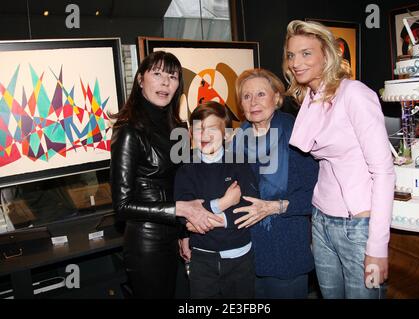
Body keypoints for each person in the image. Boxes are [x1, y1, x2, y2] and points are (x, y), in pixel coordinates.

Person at [284, 20, 395, 299]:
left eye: (306, 53)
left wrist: (377, 247)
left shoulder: (354, 94)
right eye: (291, 55)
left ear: (327, 55)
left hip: (357, 226)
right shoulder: (310, 98)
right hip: (322, 221)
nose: (296, 62)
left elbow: (383, 172)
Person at [110, 51, 222, 298]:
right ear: (140, 79)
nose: (165, 82)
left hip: (176, 236)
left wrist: (183, 234)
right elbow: (122, 206)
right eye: (157, 74)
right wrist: (179, 209)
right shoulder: (129, 131)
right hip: (146, 243)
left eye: (172, 76)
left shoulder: (179, 127)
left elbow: (179, 184)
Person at [232, 68, 319, 298]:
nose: (253, 102)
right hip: (244, 255)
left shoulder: (295, 136)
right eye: (246, 96)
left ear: (276, 98)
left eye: (261, 94)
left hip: (286, 251)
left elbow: (316, 194)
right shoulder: (237, 141)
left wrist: (274, 207)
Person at [174, 101, 259, 298]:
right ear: (189, 133)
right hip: (202, 258)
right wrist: (224, 203)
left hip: (240, 257)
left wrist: (201, 218)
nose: (204, 134)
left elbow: (250, 207)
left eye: (212, 128)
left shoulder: (239, 164)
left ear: (227, 134)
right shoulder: (186, 170)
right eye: (198, 128)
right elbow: (184, 215)